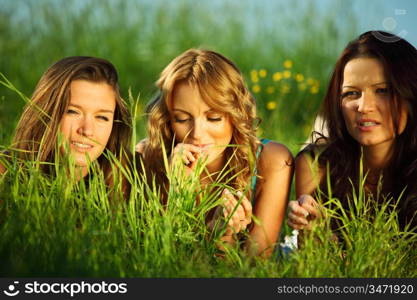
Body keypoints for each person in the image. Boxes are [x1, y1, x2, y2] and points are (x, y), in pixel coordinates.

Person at [136, 49, 293, 256]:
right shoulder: (147, 156)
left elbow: (256, 268)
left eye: (214, 118)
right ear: (167, 119)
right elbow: (160, 261)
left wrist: (223, 236)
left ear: (235, 115)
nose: (198, 134)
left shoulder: (272, 160)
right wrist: (179, 194)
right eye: (182, 119)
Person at [287, 31, 417, 236]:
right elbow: (316, 263)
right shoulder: (316, 165)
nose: (364, 107)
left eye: (383, 90)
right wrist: (316, 230)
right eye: (351, 93)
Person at [0, 56, 133, 198]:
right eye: (72, 112)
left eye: (102, 117)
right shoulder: (5, 174)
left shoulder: (129, 177)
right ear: (46, 112)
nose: (87, 130)